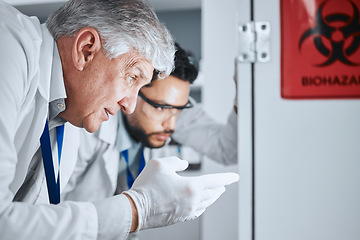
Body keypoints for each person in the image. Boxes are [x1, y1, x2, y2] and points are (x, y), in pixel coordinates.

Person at [0, 0, 239, 239]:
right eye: (132, 78)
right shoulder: (8, 44)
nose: (130, 105)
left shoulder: (67, 109)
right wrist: (137, 210)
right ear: (86, 49)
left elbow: (34, 222)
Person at [62, 43, 238, 238]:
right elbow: (50, 208)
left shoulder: (172, 107)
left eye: (179, 110)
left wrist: (243, 90)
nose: (171, 124)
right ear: (133, 88)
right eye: (160, 108)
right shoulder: (89, 126)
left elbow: (227, 149)